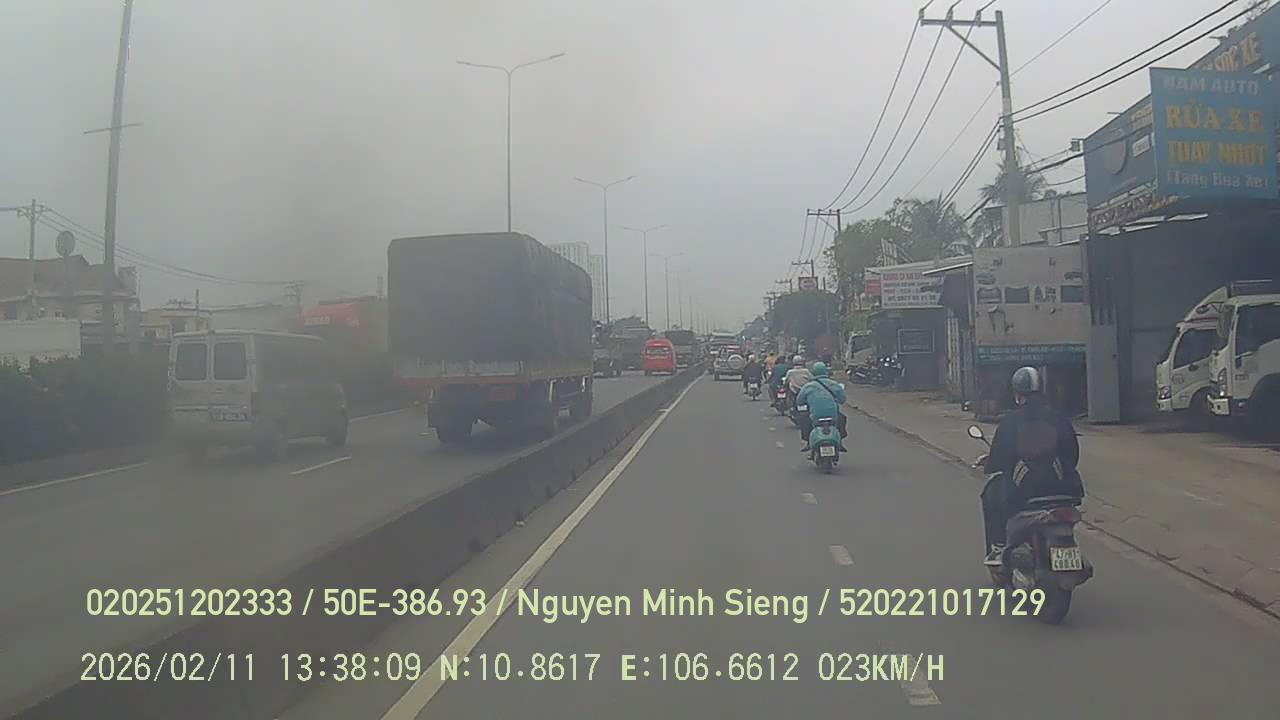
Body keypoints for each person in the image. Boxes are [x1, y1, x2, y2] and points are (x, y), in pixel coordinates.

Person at [980, 366, 1085, 566]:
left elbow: (1000, 457)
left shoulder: (1011, 422)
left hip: (1026, 493)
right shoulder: (1059, 419)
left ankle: (999, 547)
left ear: (1017, 394)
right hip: (1066, 492)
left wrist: (990, 463)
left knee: (990, 494)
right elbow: (1072, 454)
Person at [795, 362, 849, 452]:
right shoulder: (834, 384)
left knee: (804, 420)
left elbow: (799, 401)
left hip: (815, 416)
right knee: (842, 419)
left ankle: (808, 442)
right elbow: (842, 400)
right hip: (833, 415)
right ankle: (840, 442)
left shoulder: (808, 386)